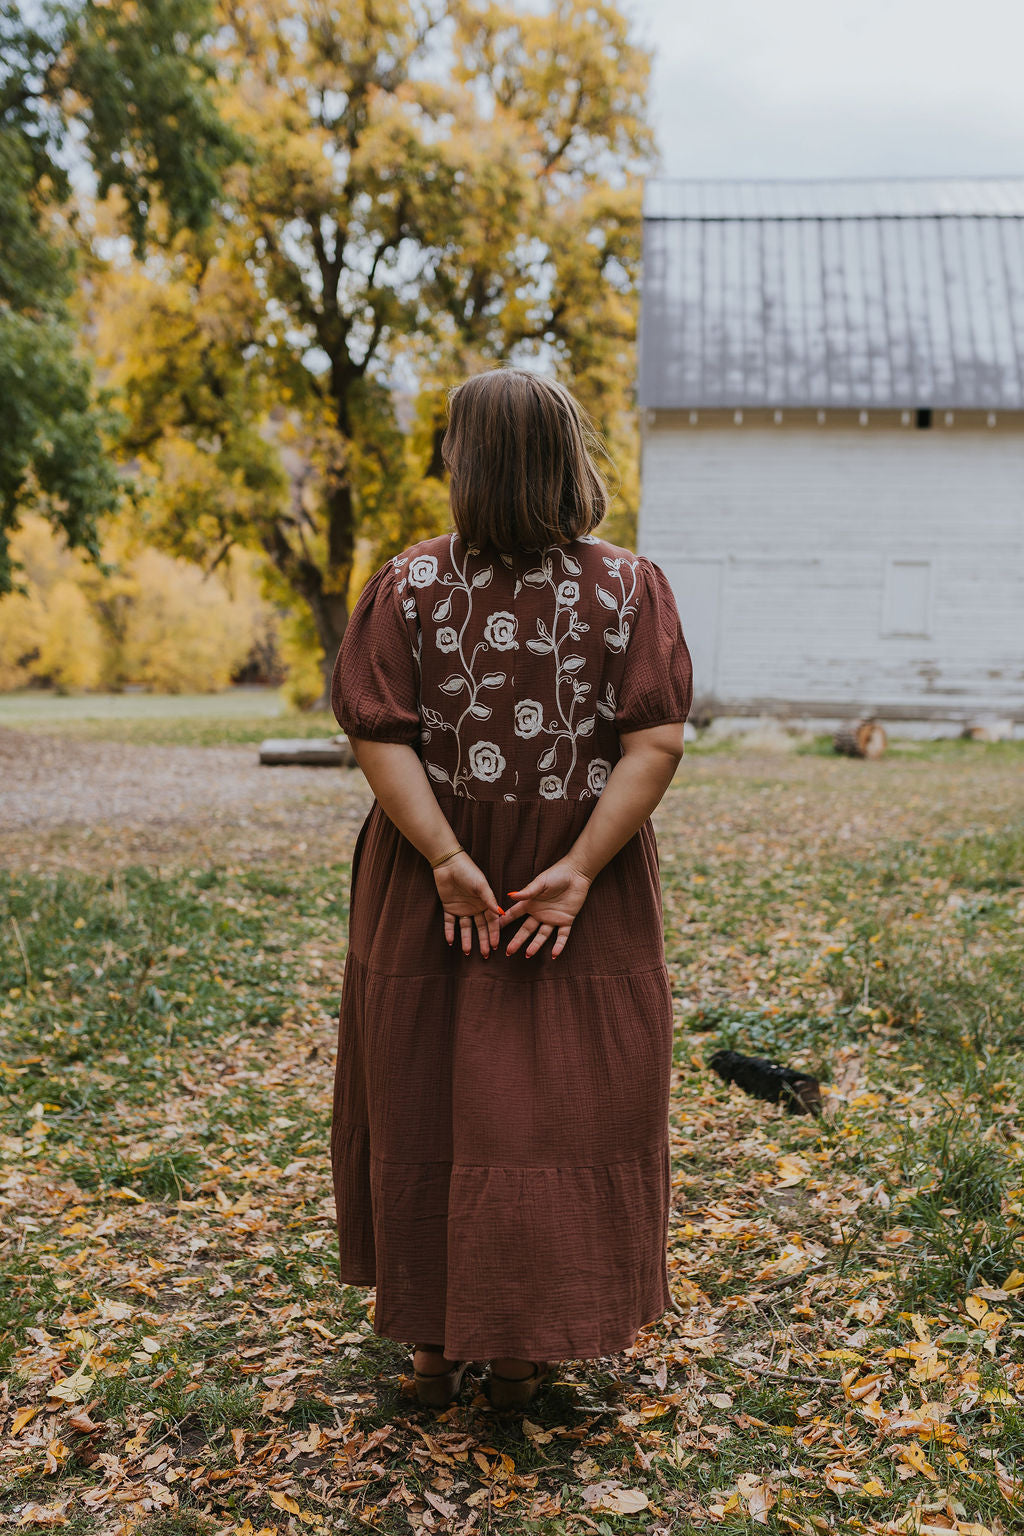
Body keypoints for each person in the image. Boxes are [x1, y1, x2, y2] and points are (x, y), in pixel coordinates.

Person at [330, 367, 693, 1410]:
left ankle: (434, 1350)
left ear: (470, 462)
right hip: (569, 873)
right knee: (554, 1105)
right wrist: (575, 871)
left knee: (423, 1090)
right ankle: (522, 1355)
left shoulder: (406, 584)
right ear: (566, 459)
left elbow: (379, 736)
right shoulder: (630, 587)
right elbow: (655, 742)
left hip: (434, 871)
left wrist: (448, 859)